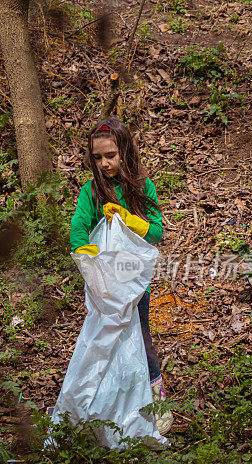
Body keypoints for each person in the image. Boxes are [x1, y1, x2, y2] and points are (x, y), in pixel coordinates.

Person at [69, 116, 172, 435]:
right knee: (104, 341)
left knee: (141, 338)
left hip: (134, 280)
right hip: (103, 283)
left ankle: (156, 403)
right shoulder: (91, 191)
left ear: (125, 152)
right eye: (97, 157)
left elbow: (156, 231)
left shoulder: (141, 186)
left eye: (110, 156)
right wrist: (87, 257)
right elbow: (78, 227)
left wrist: (131, 220)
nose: (103, 163)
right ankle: (108, 403)